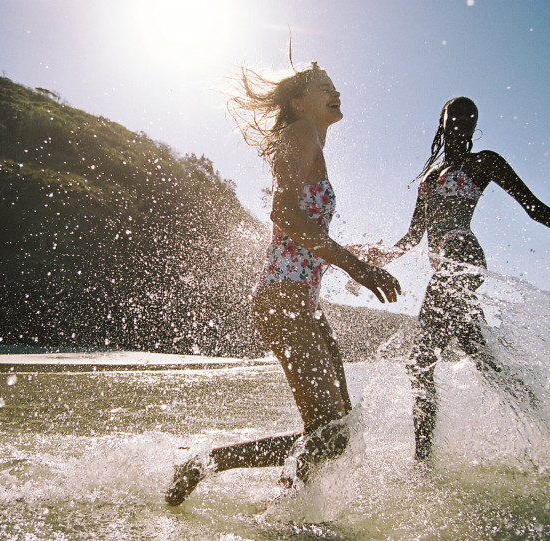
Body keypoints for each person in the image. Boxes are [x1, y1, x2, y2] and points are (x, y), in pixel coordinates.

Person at [164, 62, 401, 506]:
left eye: (336, 86)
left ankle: (274, 505)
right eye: (324, 87)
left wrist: (359, 253)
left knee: (335, 434)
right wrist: (357, 268)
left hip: (306, 304)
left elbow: (304, 230)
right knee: (328, 431)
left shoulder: (310, 142)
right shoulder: (301, 133)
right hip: (282, 299)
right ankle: (233, 484)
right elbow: (284, 215)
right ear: (297, 102)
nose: (336, 93)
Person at [364, 96, 550, 461]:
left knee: (419, 360)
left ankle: (421, 464)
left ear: (476, 125)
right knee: (487, 363)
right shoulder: (428, 176)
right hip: (445, 268)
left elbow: (534, 209)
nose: (461, 121)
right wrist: (376, 261)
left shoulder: (483, 162)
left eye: (469, 117)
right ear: (441, 122)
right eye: (454, 115)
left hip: (464, 259)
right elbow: (413, 235)